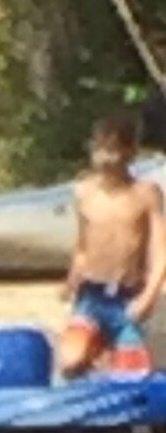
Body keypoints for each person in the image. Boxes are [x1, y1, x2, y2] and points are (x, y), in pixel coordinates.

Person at [57, 116, 166, 376]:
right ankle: (95, 353)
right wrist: (70, 284)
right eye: (99, 150)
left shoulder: (145, 194)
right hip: (91, 294)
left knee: (131, 375)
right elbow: (83, 248)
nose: (105, 159)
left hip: (127, 296)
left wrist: (148, 296)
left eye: (112, 150)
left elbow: (161, 252)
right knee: (71, 359)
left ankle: (115, 352)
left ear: (130, 152)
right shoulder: (84, 192)